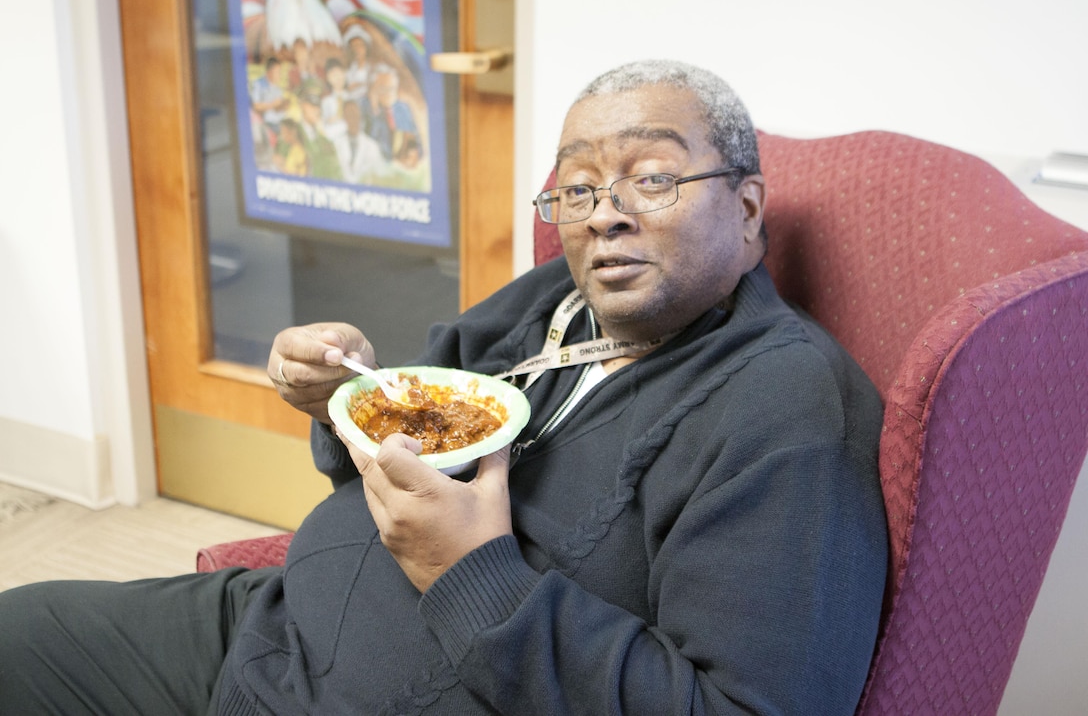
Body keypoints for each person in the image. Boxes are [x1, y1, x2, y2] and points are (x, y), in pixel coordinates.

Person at [0, 59, 888, 714]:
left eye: (651, 177)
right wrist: (335, 408)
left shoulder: (785, 404)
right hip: (270, 626)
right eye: (575, 188)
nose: (604, 212)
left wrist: (467, 570)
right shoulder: (555, 299)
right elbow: (401, 438)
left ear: (744, 208)